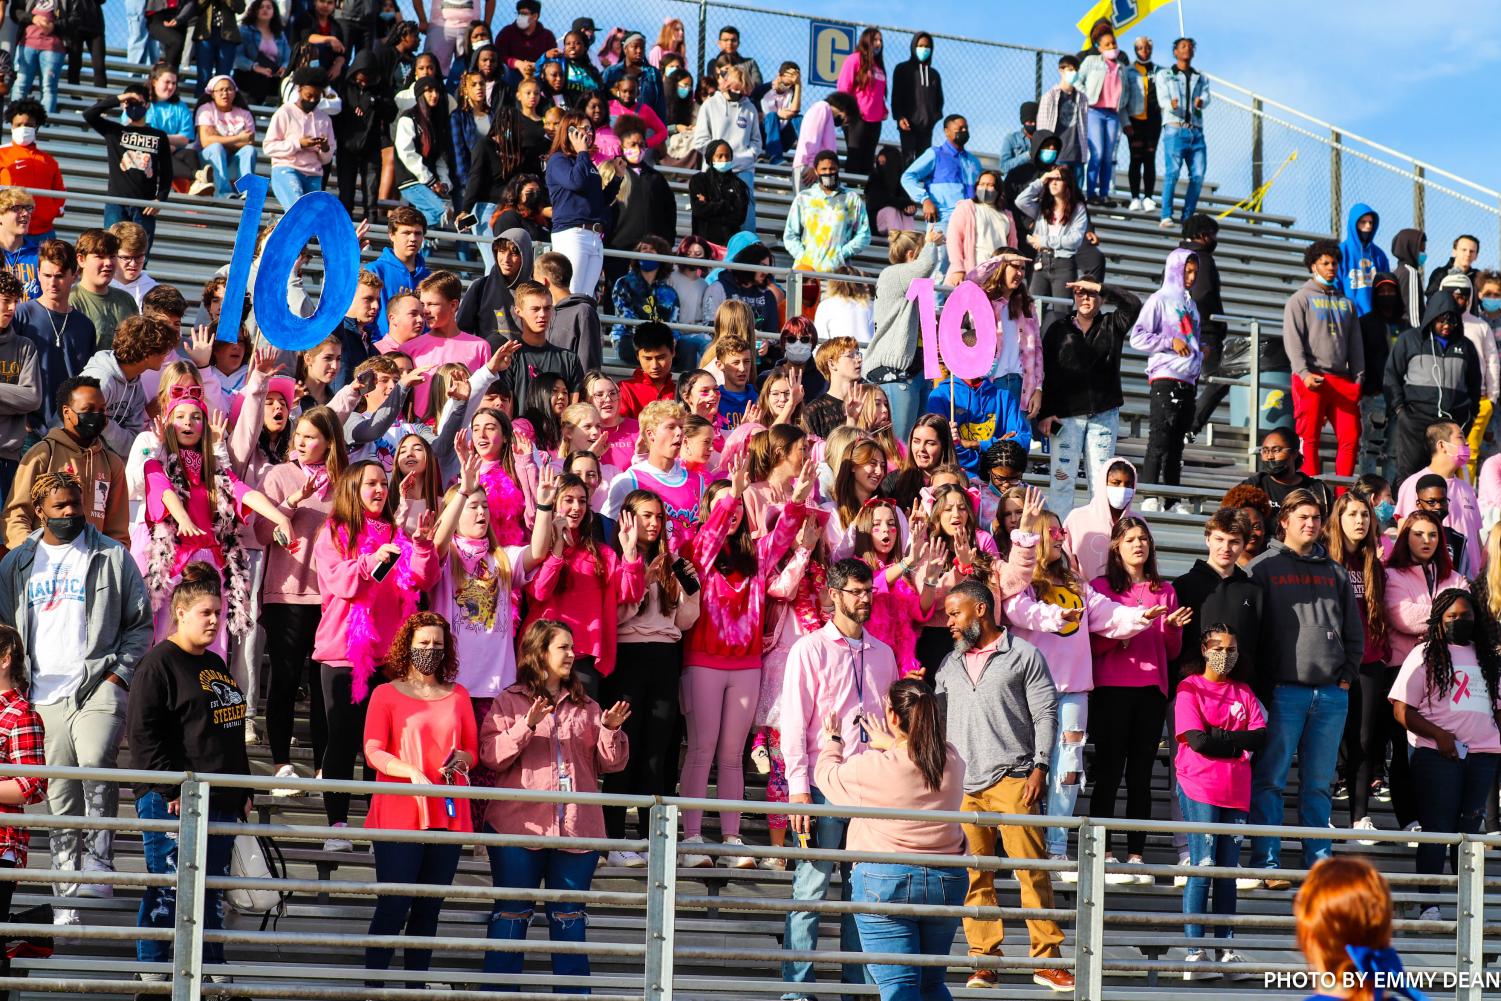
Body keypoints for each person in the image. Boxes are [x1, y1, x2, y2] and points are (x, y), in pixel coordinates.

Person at [0, 470, 150, 926]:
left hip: (97, 682)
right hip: (42, 691)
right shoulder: (16, 564)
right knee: (60, 790)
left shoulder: (110, 555)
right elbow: (6, 630)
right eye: (59, 507)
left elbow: (139, 623)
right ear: (39, 511)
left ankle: (99, 860)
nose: (69, 513)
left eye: (75, 504)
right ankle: (65, 888)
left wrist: (118, 678)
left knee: (95, 761)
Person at [934, 579, 1074, 992]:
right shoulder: (948, 663)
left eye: (954, 614)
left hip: (1015, 778)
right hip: (964, 784)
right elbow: (937, 722)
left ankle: (1047, 960)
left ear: (981, 610)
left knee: (1032, 873)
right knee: (975, 878)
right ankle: (984, 961)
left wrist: (1040, 768)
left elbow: (1047, 714)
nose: (949, 623)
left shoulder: (1024, 655)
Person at [478, 619, 629, 983]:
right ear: (539, 652)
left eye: (572, 647)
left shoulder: (588, 705)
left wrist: (610, 729)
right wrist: (525, 726)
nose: (572, 654)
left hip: (577, 831)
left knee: (570, 918)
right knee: (511, 914)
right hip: (518, 828)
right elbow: (490, 757)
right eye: (563, 647)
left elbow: (614, 763)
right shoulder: (508, 701)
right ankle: (498, 994)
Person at [779, 557, 901, 994]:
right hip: (823, 787)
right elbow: (793, 724)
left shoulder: (884, 653)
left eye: (869, 591)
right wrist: (798, 792)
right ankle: (797, 990)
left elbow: (891, 726)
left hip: (872, 791)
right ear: (833, 595)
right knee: (809, 892)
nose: (865, 598)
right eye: (856, 591)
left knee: (865, 899)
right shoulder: (808, 649)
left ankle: (860, 988)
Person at [126, 562, 248, 988]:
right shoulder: (158, 664)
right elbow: (143, 735)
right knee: (168, 889)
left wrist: (244, 784)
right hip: (174, 798)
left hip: (222, 796)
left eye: (219, 611)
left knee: (210, 891)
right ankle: (155, 976)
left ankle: (209, 972)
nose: (215, 620)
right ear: (180, 613)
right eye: (206, 613)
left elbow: (231, 728)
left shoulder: (216, 661)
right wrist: (167, 786)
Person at [814, 676, 968, 1001]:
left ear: (894, 717)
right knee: (931, 985)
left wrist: (834, 740)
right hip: (946, 880)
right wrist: (891, 741)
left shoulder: (873, 767)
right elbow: (917, 754)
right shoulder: (952, 761)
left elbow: (827, 777)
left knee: (899, 988)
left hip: (886, 880)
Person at [312, 461, 440, 848]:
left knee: (380, 745)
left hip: (389, 656)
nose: (380, 490)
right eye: (371, 483)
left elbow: (420, 579)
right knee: (344, 739)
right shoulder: (333, 532)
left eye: (384, 484)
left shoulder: (395, 532)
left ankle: (377, 819)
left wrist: (420, 545)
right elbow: (341, 581)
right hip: (344, 653)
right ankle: (337, 825)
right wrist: (372, 559)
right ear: (353, 488)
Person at [1246, 489, 1363, 888]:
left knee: (1318, 785)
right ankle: (1268, 862)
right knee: (1271, 779)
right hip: (1283, 692)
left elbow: (1353, 632)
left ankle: (1318, 863)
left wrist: (1345, 676)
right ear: (1284, 521)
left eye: (1316, 517)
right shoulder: (1262, 568)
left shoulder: (1335, 572)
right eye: (1303, 517)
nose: (1311, 524)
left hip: (1331, 693)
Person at [360, 611, 476, 982]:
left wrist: (462, 759)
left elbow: (473, 751)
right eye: (424, 643)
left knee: (429, 909)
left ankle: (415, 985)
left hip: (447, 810)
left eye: (438, 644)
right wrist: (409, 771)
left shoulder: (459, 695)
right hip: (399, 810)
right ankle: (374, 986)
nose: (431, 650)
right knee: (393, 905)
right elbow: (373, 750)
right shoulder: (385, 693)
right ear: (407, 647)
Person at [1390, 588, 1500, 917]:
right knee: (1438, 829)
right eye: (1451, 616)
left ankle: (1463, 901)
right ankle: (1430, 903)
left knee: (1469, 829)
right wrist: (1440, 737)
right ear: (1438, 620)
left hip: (1483, 755)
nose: (1458, 622)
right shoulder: (1424, 654)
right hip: (1437, 756)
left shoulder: (1487, 658)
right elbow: (1401, 710)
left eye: (1465, 616)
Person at [1089, 518, 1187, 880]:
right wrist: (1119, 637)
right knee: (1110, 771)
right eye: (1130, 539)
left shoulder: (1164, 590)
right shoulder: (1100, 588)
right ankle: (1105, 850)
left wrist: (1173, 629)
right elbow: (1092, 643)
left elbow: (1171, 650)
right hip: (1112, 688)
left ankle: (1135, 854)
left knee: (1141, 775)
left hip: (1150, 690)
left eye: (1143, 539)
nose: (1138, 545)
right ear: (1117, 546)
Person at [1175, 623, 1266, 978]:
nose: (1224, 655)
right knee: (1204, 866)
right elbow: (1196, 741)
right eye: (1218, 647)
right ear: (1203, 648)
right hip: (1200, 786)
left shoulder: (1243, 691)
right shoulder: (1190, 688)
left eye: (1231, 649)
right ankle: (1195, 954)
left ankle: (1225, 950)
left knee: (1227, 874)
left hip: (1236, 789)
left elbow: (1259, 737)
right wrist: (1234, 742)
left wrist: (1220, 737)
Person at [1038, 280, 1141, 514]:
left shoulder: (1112, 323)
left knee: (1100, 483)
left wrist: (1100, 286)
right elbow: (1047, 373)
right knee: (1062, 481)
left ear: (1101, 298)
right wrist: (1045, 413)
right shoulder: (1058, 328)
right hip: (1065, 419)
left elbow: (1133, 304)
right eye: (1080, 293)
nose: (1086, 298)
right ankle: (1059, 540)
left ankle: (1100, 539)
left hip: (1103, 417)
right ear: (1073, 296)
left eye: (1092, 294)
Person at [5, 376, 127, 547]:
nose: (97, 416)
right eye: (88, 409)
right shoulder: (43, 455)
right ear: (67, 412)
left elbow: (118, 531)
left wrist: (111, 563)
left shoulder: (112, 464)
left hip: (93, 566)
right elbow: (16, 515)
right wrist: (31, 554)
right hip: (44, 565)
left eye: (102, 410)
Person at [1130, 248, 1202, 510]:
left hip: (1188, 379)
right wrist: (1169, 342)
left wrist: (1198, 356)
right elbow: (1137, 336)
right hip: (1165, 376)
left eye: (1195, 272)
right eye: (1187, 271)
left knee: (1176, 444)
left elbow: (1194, 340)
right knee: (1159, 437)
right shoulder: (1159, 299)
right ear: (1175, 269)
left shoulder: (1191, 305)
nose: (1192, 277)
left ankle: (1172, 499)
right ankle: (1150, 493)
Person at [1285, 239, 1364, 477]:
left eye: (1335, 263)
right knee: (1309, 438)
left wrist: (1359, 379)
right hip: (1312, 377)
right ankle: (1311, 492)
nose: (1331, 267)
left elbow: (1356, 346)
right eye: (1325, 263)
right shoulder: (1300, 299)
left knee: (1351, 437)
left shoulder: (1347, 303)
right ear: (1313, 266)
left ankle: (1343, 496)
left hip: (1342, 379)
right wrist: (1304, 373)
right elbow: (1293, 340)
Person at [1386, 295, 1481, 486]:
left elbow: (1474, 386)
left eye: (1452, 320)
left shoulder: (1466, 346)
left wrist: (1469, 417)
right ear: (1432, 316)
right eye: (1441, 320)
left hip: (1449, 424)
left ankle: (1440, 515)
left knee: (1443, 478)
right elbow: (1391, 375)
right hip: (1414, 421)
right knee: (1409, 474)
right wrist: (1400, 410)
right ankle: (1407, 514)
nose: (1447, 325)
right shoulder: (1410, 340)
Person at [866, 229, 942, 440]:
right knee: (898, 443)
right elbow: (924, 267)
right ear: (911, 254)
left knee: (915, 443)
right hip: (895, 371)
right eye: (922, 250)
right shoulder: (893, 273)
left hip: (917, 370)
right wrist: (931, 244)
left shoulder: (911, 282)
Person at [83, 86, 172, 245]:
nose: (134, 106)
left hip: (145, 205)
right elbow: (89, 114)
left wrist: (161, 198)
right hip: (116, 202)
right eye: (130, 102)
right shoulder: (114, 130)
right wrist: (120, 98)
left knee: (140, 255)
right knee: (110, 250)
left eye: (138, 102)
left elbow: (167, 171)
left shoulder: (159, 136)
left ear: (148, 105)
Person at [1394, 422, 1483, 579]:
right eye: (1461, 437)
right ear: (1442, 445)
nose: (1467, 443)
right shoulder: (1415, 484)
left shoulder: (1467, 488)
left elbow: (1476, 537)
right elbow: (1404, 533)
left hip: (1471, 583)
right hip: (1438, 581)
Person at [545, 110, 618, 297]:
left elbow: (600, 201)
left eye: (590, 129)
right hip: (572, 233)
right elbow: (575, 182)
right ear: (569, 131)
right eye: (584, 129)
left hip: (593, 235)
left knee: (586, 298)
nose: (589, 133)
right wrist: (583, 153)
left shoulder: (586, 162)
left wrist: (617, 178)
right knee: (571, 293)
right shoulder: (558, 160)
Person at [783, 150, 871, 303]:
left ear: (838, 170)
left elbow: (864, 234)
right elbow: (790, 235)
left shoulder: (851, 199)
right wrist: (804, 258)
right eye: (823, 169)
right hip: (806, 276)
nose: (828, 172)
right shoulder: (804, 198)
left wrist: (842, 254)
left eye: (832, 169)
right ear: (816, 171)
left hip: (837, 277)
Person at [900, 114, 980, 276]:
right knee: (938, 271)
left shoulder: (973, 162)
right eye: (959, 129)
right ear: (947, 132)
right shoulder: (935, 154)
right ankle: (934, 303)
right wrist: (925, 199)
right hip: (943, 221)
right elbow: (907, 177)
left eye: (966, 128)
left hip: (970, 222)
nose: (964, 131)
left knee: (966, 271)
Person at [690, 64, 761, 232]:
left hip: (742, 171)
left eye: (741, 91)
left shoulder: (750, 108)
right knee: (714, 214)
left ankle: (746, 249)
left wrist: (745, 157)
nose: (737, 94)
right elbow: (700, 139)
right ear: (726, 85)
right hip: (714, 171)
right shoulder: (710, 105)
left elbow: (757, 142)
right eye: (734, 90)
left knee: (746, 215)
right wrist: (719, 157)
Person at [1015, 167, 1088, 328]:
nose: (1053, 182)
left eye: (1058, 179)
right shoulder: (1043, 207)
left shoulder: (1078, 209)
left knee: (1062, 313)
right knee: (1031, 310)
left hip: (1064, 264)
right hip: (1041, 262)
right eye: (1051, 179)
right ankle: (1030, 348)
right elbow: (1021, 200)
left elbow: (1074, 240)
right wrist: (1043, 178)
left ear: (1067, 184)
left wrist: (1045, 241)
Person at [1077, 29, 1140, 205]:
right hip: (1094, 112)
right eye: (1107, 44)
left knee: (1108, 156)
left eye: (1114, 43)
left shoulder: (1122, 68)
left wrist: (1125, 120)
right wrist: (1086, 97)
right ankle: (1091, 192)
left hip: (1112, 115)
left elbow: (1124, 96)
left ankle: (1104, 193)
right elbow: (1077, 80)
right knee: (1096, 153)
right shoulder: (1091, 62)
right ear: (1099, 47)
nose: (1112, 46)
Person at [263, 67, 336, 208]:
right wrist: (299, 144)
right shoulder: (285, 112)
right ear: (300, 90)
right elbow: (268, 147)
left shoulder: (325, 119)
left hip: (314, 174)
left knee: (312, 217)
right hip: (287, 169)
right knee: (298, 209)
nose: (313, 100)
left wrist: (325, 148)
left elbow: (326, 159)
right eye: (309, 95)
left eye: (317, 96)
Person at [1155, 37, 1209, 227]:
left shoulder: (1200, 76)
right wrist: (1171, 104)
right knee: (1173, 172)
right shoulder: (1165, 75)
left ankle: (1187, 216)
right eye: (1183, 46)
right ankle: (1166, 214)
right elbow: (1162, 99)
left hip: (1196, 131)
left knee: (1198, 174)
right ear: (1175, 51)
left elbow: (1206, 96)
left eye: (1190, 47)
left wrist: (1201, 101)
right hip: (1175, 128)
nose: (1187, 49)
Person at [0, 101, 66, 241]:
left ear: (36, 127)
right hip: (9, 230)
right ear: (11, 126)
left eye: (29, 125)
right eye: (18, 125)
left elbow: (60, 192)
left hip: (44, 232)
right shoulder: (2, 154)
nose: (23, 128)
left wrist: (51, 212)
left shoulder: (49, 160)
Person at [1357, 274, 1402, 478]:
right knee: (1370, 449)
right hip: (1374, 396)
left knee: (1393, 453)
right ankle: (1367, 494)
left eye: (1390, 291)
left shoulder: (1406, 327)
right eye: (1381, 291)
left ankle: (1388, 498)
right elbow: (1358, 359)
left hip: (1400, 399)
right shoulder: (1365, 323)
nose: (1386, 295)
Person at [67, 229, 136, 352]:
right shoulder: (70, 301)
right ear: (81, 259)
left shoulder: (126, 299)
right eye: (100, 256)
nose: (108, 263)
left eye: (112, 256)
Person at [835, 27, 886, 176]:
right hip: (857, 118)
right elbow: (844, 87)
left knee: (868, 159)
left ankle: (864, 194)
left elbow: (879, 93)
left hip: (875, 120)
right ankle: (850, 192)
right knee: (855, 156)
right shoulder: (854, 59)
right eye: (875, 40)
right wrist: (847, 110)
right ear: (866, 41)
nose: (878, 43)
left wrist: (883, 110)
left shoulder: (878, 66)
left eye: (881, 40)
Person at [891, 33, 943, 163]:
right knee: (907, 160)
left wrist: (932, 119)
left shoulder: (934, 74)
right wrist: (899, 117)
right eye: (920, 46)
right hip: (907, 125)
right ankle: (903, 184)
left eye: (927, 46)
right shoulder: (902, 69)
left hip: (926, 128)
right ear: (914, 47)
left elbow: (939, 100)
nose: (924, 49)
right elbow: (896, 96)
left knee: (923, 162)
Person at [1035, 56, 1086, 187]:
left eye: (1076, 70)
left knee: (1077, 196)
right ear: (1061, 70)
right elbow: (1043, 128)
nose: (1074, 72)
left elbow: (1084, 127)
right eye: (1070, 69)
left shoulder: (1082, 98)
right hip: (1058, 155)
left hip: (1077, 155)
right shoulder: (1050, 96)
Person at [1125, 37, 1161, 212]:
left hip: (1153, 120)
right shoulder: (1129, 71)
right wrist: (1125, 121)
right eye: (1139, 48)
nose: (1143, 51)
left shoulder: (1159, 71)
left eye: (1146, 47)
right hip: (1135, 119)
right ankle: (1134, 197)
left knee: (1150, 158)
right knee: (1135, 158)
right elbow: (1123, 98)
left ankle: (1148, 197)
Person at [1337, 204, 1390, 318]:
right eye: (1363, 222)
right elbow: (1336, 285)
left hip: (1375, 319)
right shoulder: (1341, 251)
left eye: (1371, 222)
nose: (1368, 226)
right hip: (1348, 317)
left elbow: (1386, 288)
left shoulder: (1379, 255)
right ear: (1354, 224)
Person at [791, 90, 857, 174]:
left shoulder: (827, 114)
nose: (844, 123)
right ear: (845, 110)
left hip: (819, 168)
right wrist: (812, 165)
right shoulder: (822, 107)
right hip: (810, 168)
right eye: (848, 120)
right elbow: (812, 138)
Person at [492, 0, 556, 79]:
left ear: (535, 16)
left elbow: (553, 59)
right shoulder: (506, 33)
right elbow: (498, 55)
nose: (520, 17)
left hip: (538, 75)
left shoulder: (547, 36)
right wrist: (517, 63)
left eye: (524, 14)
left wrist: (537, 65)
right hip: (512, 75)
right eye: (519, 13)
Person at [1424, 233, 1480, 303]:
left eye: (1472, 251)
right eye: (1464, 250)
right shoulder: (1439, 274)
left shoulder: (1479, 277)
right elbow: (1431, 302)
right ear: (1454, 251)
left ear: (1476, 256)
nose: (1468, 254)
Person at [1391, 228, 1427, 328]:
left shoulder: (1397, 272)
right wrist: (1419, 336)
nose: (1423, 254)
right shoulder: (1410, 273)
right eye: (1420, 250)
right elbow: (1414, 315)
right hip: (1411, 332)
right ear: (1409, 249)